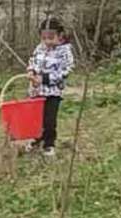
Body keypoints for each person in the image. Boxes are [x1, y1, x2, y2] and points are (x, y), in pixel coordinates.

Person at [29, 20, 75, 149]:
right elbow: (32, 61)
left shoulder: (64, 51)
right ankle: (37, 139)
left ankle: (49, 144)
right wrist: (31, 71)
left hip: (53, 92)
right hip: (36, 91)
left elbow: (66, 70)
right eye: (44, 38)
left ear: (60, 36)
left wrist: (44, 78)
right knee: (36, 119)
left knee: (49, 120)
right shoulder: (39, 48)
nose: (47, 41)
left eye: (51, 38)